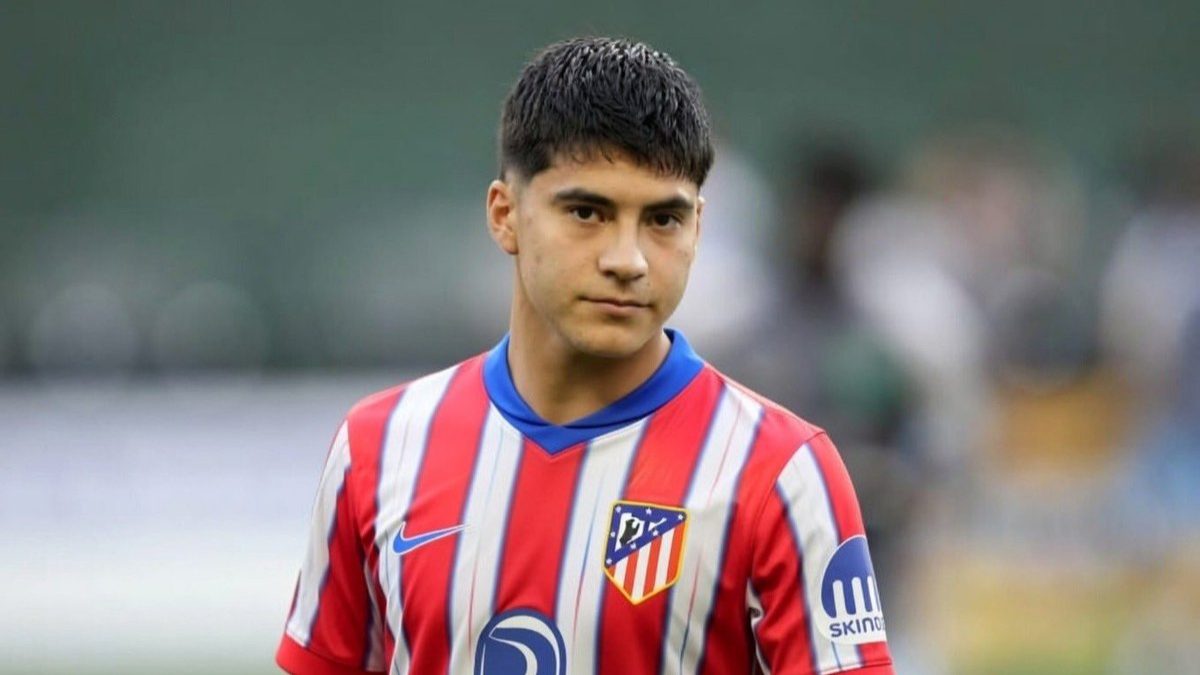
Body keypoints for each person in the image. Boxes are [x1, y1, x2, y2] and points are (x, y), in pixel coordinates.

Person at [276, 37, 894, 675]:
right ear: (505, 215)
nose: (627, 260)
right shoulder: (380, 449)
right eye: (587, 212)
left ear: (699, 228)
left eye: (662, 221)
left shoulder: (779, 472)